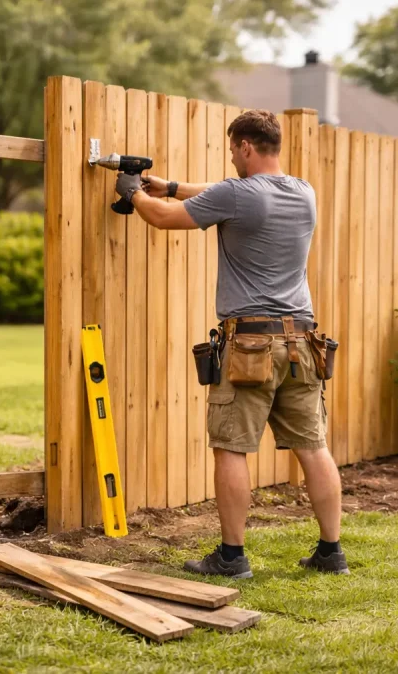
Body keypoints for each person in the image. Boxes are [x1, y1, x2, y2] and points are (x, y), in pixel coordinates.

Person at [114, 109, 348, 577]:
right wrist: (173, 186)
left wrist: (135, 193)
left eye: (232, 150)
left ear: (244, 146)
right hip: (303, 344)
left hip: (251, 349)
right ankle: (331, 552)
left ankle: (233, 557)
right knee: (313, 446)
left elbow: (163, 219)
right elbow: (226, 196)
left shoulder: (237, 194)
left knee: (232, 448)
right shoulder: (304, 192)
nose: (232, 160)